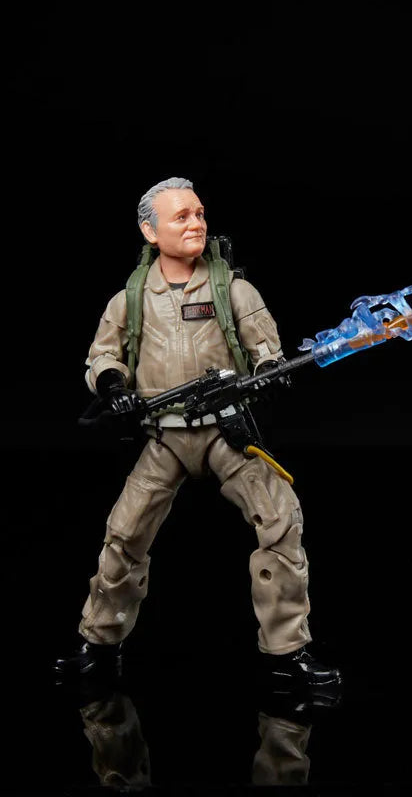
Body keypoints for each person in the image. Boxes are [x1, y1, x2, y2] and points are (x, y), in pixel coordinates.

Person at [54, 177, 339, 686]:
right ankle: (98, 643)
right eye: (182, 216)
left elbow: (266, 350)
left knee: (280, 521)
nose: (196, 224)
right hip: (165, 437)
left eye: (200, 214)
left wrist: (270, 373)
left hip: (226, 431)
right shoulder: (131, 299)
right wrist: (114, 385)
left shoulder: (233, 290)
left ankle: (288, 652)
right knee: (124, 533)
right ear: (150, 231)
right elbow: (102, 356)